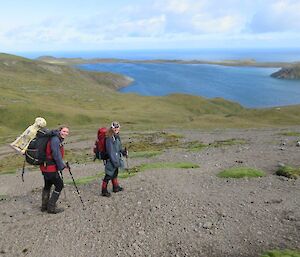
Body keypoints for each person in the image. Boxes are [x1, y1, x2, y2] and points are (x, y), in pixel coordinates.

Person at [40, 125, 69, 214]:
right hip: (50, 168)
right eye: (64, 131)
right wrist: (62, 166)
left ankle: (44, 206)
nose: (65, 133)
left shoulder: (53, 138)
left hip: (44, 167)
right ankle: (51, 207)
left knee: (47, 185)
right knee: (59, 185)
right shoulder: (55, 140)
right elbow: (56, 155)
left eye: (67, 132)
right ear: (59, 131)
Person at [101, 121, 127, 197]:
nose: (116, 129)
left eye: (117, 127)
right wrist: (114, 162)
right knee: (108, 175)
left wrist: (123, 152)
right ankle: (104, 190)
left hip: (116, 158)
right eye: (114, 127)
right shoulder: (109, 137)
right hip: (111, 159)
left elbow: (118, 148)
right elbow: (110, 151)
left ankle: (115, 187)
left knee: (115, 173)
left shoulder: (116, 136)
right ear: (111, 128)